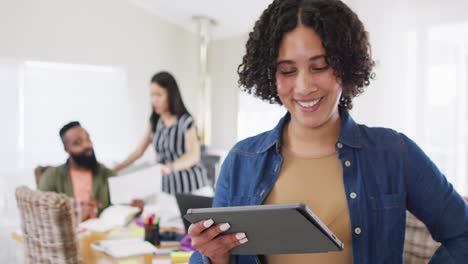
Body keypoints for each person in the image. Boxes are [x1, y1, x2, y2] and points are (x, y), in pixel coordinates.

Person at [188, 0, 468, 263]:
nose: (304, 86)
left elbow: (463, 234)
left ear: (345, 66)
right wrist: (214, 258)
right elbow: (210, 254)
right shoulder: (241, 160)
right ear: (271, 76)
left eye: (319, 66)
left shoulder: (394, 152)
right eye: (287, 71)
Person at [113, 71, 210, 194]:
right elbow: (139, 151)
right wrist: (116, 169)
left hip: (192, 186)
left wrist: (170, 167)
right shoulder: (155, 122)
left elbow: (193, 156)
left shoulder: (186, 121)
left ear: (171, 95)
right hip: (168, 189)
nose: (154, 100)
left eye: (158, 95)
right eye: (152, 95)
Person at [39, 121, 116, 221]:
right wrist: (74, 210)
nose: (86, 145)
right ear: (66, 148)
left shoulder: (107, 174)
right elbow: (40, 210)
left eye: (87, 139)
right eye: (77, 143)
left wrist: (133, 207)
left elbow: (122, 206)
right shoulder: (51, 176)